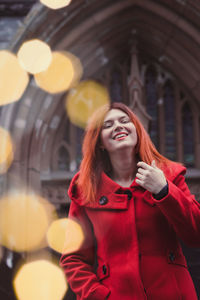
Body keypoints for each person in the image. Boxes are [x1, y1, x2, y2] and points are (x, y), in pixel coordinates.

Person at [60, 102, 200, 300]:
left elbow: (195, 234)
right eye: (108, 125)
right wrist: (99, 296)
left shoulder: (169, 175)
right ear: (99, 141)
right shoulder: (86, 190)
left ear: (137, 130)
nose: (118, 126)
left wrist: (164, 190)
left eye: (125, 121)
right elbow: (73, 258)